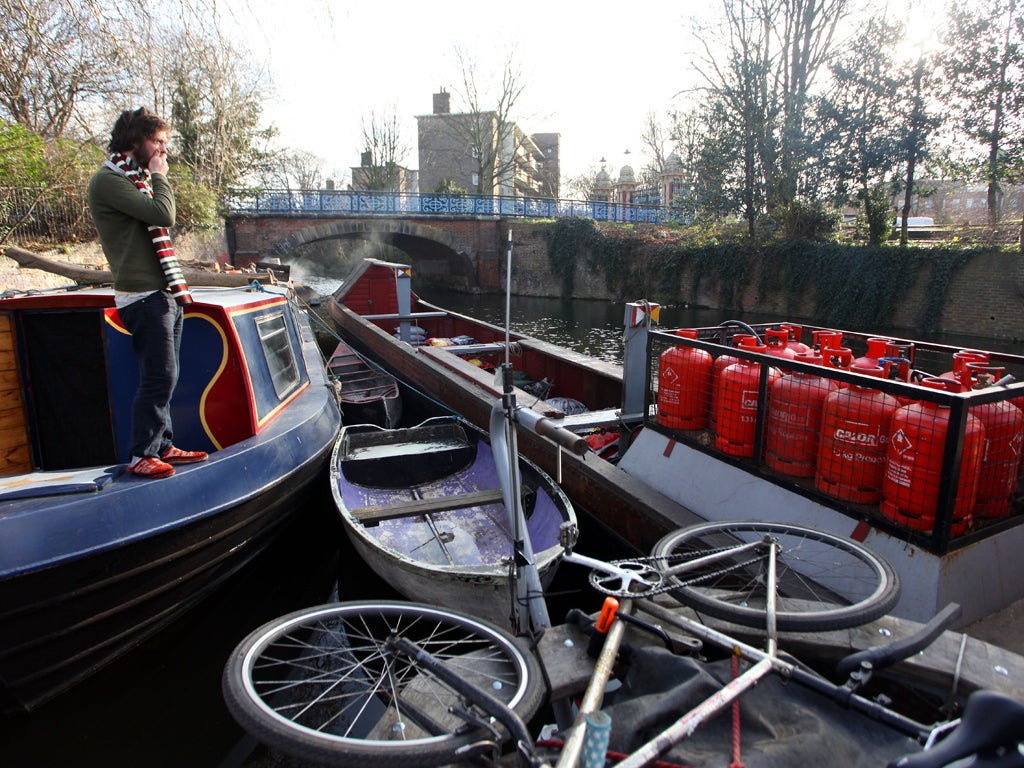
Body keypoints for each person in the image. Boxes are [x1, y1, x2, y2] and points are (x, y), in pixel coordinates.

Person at [87, 107, 208, 479]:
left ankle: (163, 445)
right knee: (159, 376)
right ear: (136, 141)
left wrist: (152, 175)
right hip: (142, 294)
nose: (163, 151)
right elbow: (163, 214)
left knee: (167, 375)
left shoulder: (134, 177)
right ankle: (141, 453)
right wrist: (159, 177)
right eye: (158, 142)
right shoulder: (109, 181)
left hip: (164, 291)